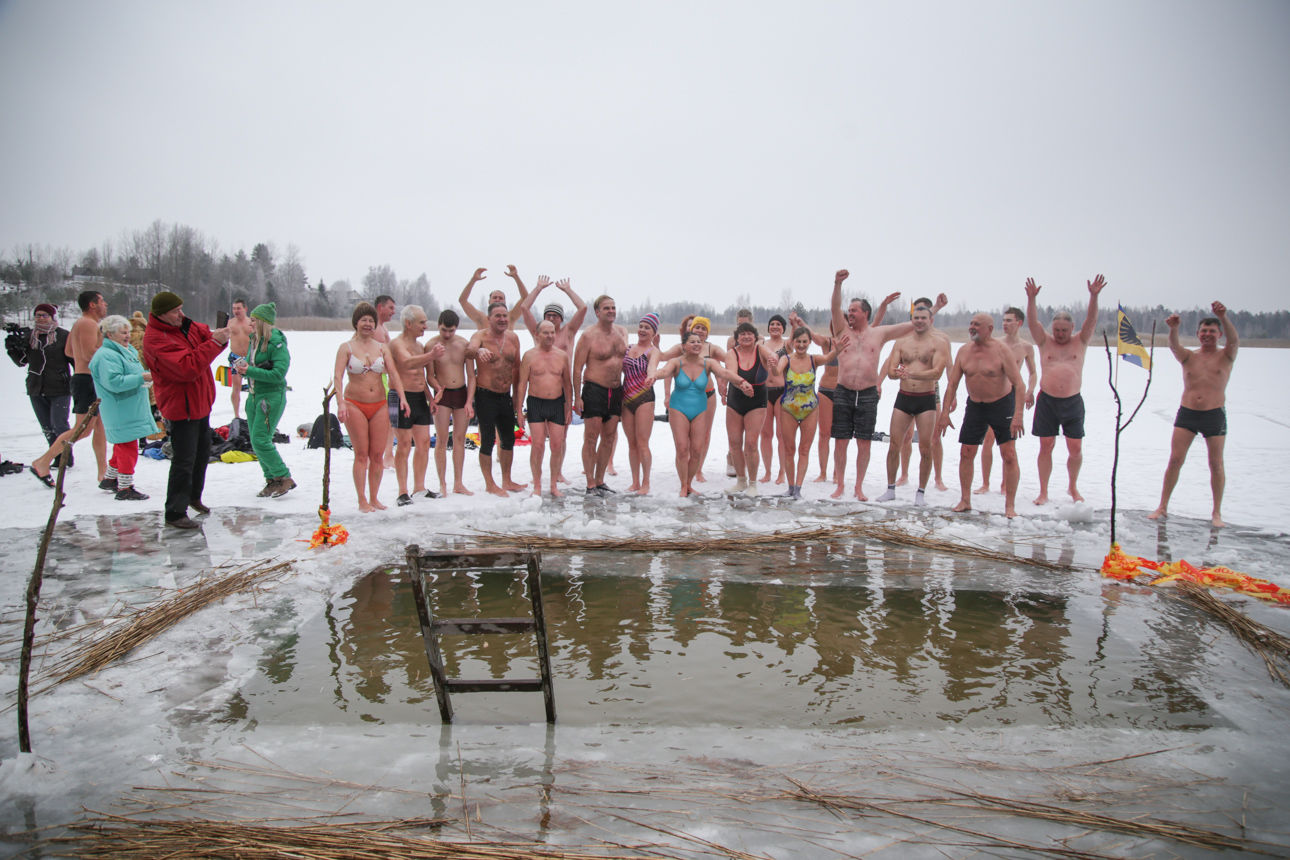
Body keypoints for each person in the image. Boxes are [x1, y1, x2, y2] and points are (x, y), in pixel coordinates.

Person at [142, 290, 230, 529]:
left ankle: (193, 496)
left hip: (200, 403)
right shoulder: (155, 340)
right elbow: (187, 367)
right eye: (175, 311)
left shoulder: (183, 326)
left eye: (181, 309)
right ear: (161, 315)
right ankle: (174, 512)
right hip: (181, 407)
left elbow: (206, 338)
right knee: (183, 459)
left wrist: (220, 335)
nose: (181, 314)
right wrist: (214, 342)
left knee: (202, 453)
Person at [1149, 302, 1239, 528]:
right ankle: (1162, 506)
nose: (1207, 335)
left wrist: (1223, 317)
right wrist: (1173, 329)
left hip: (1214, 414)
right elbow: (1173, 347)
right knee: (1175, 460)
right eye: (1203, 331)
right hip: (1188, 414)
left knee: (1216, 463)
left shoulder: (1226, 356)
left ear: (1218, 334)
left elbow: (1234, 340)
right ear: (1198, 334)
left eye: (1211, 331)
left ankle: (1216, 513)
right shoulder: (1189, 357)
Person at [828, 270, 910, 500]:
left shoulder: (878, 334)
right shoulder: (842, 329)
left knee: (864, 441)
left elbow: (909, 326)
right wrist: (837, 285)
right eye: (849, 310)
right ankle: (841, 484)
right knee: (841, 440)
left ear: (865, 313)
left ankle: (858, 487)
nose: (849, 313)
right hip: (843, 391)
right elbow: (835, 308)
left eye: (854, 310)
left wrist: (931, 313)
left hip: (867, 393)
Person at [936, 313, 1027, 518]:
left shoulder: (1001, 350)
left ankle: (1009, 506)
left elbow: (1019, 384)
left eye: (977, 325)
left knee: (1009, 454)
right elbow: (953, 384)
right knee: (966, 452)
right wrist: (944, 413)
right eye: (971, 324)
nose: (972, 327)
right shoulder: (964, 351)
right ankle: (965, 500)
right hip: (975, 406)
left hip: (1002, 404)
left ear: (989, 329)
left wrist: (1018, 415)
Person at [1025, 274, 1105, 505]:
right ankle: (1043, 491)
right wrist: (1031, 299)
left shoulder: (1080, 341)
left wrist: (1094, 296)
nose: (1060, 334)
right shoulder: (1044, 341)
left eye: (1064, 330)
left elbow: (1091, 320)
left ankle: (1072, 487)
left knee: (1075, 447)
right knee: (1046, 445)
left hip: (1072, 402)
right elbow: (1032, 323)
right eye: (1057, 330)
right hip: (1047, 401)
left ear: (1072, 328)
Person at [652, 331, 754, 498]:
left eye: (699, 342)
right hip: (679, 408)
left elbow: (725, 373)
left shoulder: (709, 364)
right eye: (692, 342)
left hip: (700, 408)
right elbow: (664, 372)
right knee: (682, 448)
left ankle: (689, 483)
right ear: (683, 346)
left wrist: (741, 382)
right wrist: (654, 376)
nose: (696, 344)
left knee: (697, 450)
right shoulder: (676, 362)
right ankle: (683, 485)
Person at [28, 291, 110, 485]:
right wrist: (110, 351)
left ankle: (104, 473)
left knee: (100, 427)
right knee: (82, 429)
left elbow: (68, 351)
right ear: (92, 305)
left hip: (87, 379)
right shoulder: (88, 324)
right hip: (86, 380)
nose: (105, 304)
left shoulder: (80, 324)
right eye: (102, 301)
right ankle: (43, 462)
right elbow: (92, 355)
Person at [332, 302, 408, 512]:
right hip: (354, 404)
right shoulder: (346, 348)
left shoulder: (382, 348)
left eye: (371, 321)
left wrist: (402, 398)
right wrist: (340, 403)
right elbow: (337, 376)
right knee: (362, 454)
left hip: (379, 405)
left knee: (377, 455)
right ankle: (362, 500)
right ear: (356, 322)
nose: (367, 324)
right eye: (364, 320)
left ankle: (374, 497)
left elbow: (393, 374)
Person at [876, 304, 952, 506]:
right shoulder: (901, 343)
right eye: (915, 318)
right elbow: (892, 371)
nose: (919, 321)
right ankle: (890, 489)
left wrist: (910, 373)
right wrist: (896, 373)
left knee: (926, 447)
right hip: (904, 397)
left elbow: (937, 372)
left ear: (930, 320)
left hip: (926, 399)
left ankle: (920, 492)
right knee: (894, 444)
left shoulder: (939, 343)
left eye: (923, 318)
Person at [88, 315, 156, 501]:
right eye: (123, 333)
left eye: (128, 332)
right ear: (109, 334)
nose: (127, 336)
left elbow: (131, 374)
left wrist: (143, 380)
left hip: (129, 406)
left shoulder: (125, 350)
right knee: (128, 446)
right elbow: (114, 382)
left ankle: (110, 478)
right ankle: (125, 487)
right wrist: (142, 378)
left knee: (122, 443)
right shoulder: (106, 356)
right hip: (120, 409)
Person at [776, 326, 847, 499]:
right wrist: (771, 367)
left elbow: (829, 357)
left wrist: (837, 350)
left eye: (804, 342)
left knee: (804, 449)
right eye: (798, 342)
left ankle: (798, 488)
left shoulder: (814, 360)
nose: (801, 345)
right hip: (788, 408)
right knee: (789, 449)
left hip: (810, 409)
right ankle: (790, 487)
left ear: (809, 343)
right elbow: (776, 372)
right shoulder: (786, 359)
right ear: (793, 342)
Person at [467, 301, 527, 497]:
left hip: (505, 395)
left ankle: (507, 480)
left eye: (505, 316)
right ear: (489, 318)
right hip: (486, 395)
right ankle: (489, 483)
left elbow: (517, 369)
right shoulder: (480, 336)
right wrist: (479, 351)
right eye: (498, 316)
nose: (502, 319)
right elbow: (468, 350)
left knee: (508, 439)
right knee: (488, 440)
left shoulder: (513, 338)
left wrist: (518, 403)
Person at [235, 302, 295, 499]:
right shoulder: (254, 342)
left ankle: (284, 476)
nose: (249, 324)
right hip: (254, 395)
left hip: (270, 397)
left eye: (253, 320)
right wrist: (244, 369)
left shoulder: (276, 343)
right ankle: (271, 480)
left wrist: (250, 370)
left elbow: (278, 374)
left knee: (261, 439)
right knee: (256, 440)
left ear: (262, 323)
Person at [658, 316, 728, 483]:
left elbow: (729, 363)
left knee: (704, 434)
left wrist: (722, 383)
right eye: (697, 327)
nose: (700, 331)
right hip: (684, 397)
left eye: (704, 328)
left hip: (707, 395)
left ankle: (698, 469)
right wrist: (667, 394)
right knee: (686, 438)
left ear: (708, 332)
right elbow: (665, 362)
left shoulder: (713, 349)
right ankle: (685, 467)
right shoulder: (682, 347)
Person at [387, 305, 445, 505]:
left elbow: (423, 375)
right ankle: (402, 491)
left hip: (419, 397)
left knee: (423, 443)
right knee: (403, 444)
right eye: (421, 322)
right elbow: (406, 363)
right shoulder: (396, 344)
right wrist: (431, 356)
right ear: (408, 323)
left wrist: (432, 396)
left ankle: (419, 487)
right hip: (400, 396)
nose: (425, 326)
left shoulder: (421, 347)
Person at [976, 305, 1037, 494]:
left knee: (1008, 443)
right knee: (988, 439)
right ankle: (985, 483)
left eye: (1009, 320)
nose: (1005, 324)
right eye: (1003, 320)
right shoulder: (995, 343)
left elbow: (1033, 372)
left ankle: (1005, 484)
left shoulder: (1026, 347)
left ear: (1018, 323)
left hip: (1012, 395)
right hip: (994, 394)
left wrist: (1030, 390)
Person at [572, 295, 628, 496]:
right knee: (591, 437)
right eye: (606, 308)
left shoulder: (620, 334)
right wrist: (577, 397)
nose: (611, 311)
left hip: (615, 391)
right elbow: (577, 368)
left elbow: (625, 362)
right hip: (595, 389)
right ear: (597, 312)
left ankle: (600, 480)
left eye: (613, 307)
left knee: (609, 438)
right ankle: (589, 483)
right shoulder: (589, 335)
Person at [7, 302, 72, 459]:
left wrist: (80, 381)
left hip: (60, 387)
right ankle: (55, 455)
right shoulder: (29, 337)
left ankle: (65, 457)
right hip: (36, 387)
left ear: (52, 317)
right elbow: (21, 362)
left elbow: (74, 359)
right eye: (38, 315)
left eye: (45, 315)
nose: (41, 318)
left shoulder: (63, 335)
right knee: (47, 427)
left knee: (59, 424)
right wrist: (12, 349)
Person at [516, 319, 573, 497]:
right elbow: (521, 385)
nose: (550, 336)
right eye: (546, 333)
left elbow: (567, 384)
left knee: (557, 445)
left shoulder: (562, 356)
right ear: (537, 335)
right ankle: (537, 485)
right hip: (536, 403)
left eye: (552, 332)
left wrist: (569, 407)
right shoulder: (529, 356)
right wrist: (518, 410)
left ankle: (553, 485)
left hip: (556, 403)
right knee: (538, 445)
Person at [724, 322, 780, 496]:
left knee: (751, 443)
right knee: (734, 442)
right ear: (737, 338)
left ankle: (753, 484)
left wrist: (773, 359)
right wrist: (741, 383)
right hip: (736, 397)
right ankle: (741, 480)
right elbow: (732, 373)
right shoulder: (731, 353)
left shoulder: (760, 349)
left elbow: (772, 355)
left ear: (755, 337)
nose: (746, 337)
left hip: (757, 398)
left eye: (749, 334)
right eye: (742, 334)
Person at [426, 309, 475, 497]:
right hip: (443, 395)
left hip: (461, 393)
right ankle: (442, 483)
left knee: (460, 439)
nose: (447, 334)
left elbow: (471, 376)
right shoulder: (431, 345)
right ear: (438, 326)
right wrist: (438, 388)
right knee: (441, 439)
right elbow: (429, 375)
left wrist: (470, 400)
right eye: (444, 330)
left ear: (457, 328)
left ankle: (458, 482)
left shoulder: (464, 344)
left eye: (451, 331)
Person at [620, 313, 660, 494]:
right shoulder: (628, 349)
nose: (643, 330)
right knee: (632, 443)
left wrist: (652, 376)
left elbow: (652, 366)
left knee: (643, 442)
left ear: (654, 333)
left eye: (647, 328)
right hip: (626, 398)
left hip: (644, 397)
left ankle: (646, 482)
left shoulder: (653, 351)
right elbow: (616, 368)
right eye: (641, 326)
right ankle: (635, 481)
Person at [759, 314, 790, 484]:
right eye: (772, 324)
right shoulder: (762, 345)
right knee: (765, 434)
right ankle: (767, 471)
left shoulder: (787, 345)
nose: (775, 327)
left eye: (778, 324)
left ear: (783, 328)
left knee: (781, 434)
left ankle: (782, 472)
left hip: (781, 390)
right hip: (764, 390)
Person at [459, 266, 529, 329]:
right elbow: (463, 301)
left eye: (500, 298)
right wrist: (473, 280)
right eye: (495, 297)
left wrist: (516, 277)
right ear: (489, 301)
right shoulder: (482, 319)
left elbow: (526, 298)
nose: (497, 299)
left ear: (505, 302)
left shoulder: (510, 317)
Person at [226, 298, 255, 420]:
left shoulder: (251, 323)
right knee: (236, 386)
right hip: (236, 357)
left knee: (253, 386)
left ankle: (253, 413)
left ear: (245, 309)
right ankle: (236, 415)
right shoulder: (230, 323)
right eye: (234, 308)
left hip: (249, 357)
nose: (236, 311)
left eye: (238, 308)